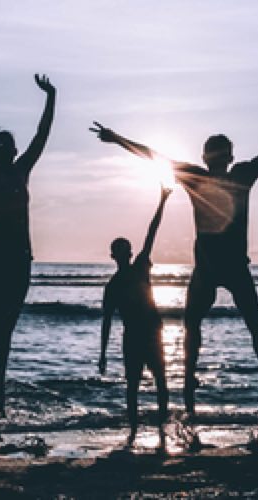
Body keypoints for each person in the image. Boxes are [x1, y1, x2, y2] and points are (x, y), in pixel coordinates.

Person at [91, 105, 258, 416]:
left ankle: (253, 381)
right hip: (211, 269)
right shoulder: (215, 176)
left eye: (216, 155)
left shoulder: (225, 175)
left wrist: (117, 139)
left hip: (229, 267)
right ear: (219, 157)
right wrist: (117, 139)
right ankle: (203, 384)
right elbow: (154, 155)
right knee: (206, 324)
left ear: (215, 158)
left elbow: (154, 155)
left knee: (241, 324)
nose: (217, 160)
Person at [0, 73, 56, 428]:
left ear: (13, 151)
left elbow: (42, 135)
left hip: (21, 259)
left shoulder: (22, 170)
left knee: (5, 329)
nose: (2, 150)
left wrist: (51, 96)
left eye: (7, 146)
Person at [100, 186, 171, 449]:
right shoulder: (114, 284)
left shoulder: (139, 267)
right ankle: (135, 431)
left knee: (157, 383)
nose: (122, 254)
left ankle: (158, 428)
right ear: (116, 256)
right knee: (136, 386)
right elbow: (106, 321)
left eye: (124, 250)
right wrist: (103, 354)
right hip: (138, 336)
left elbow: (151, 233)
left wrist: (162, 200)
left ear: (126, 254)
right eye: (120, 251)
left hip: (150, 333)